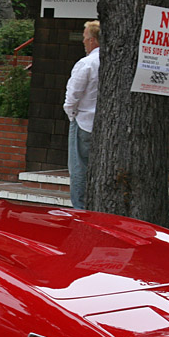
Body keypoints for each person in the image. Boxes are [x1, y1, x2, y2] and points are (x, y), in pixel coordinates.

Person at [63, 19, 100, 210]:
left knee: (79, 169)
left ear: (93, 40)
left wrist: (71, 114)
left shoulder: (86, 63)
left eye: (85, 38)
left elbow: (73, 94)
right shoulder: (112, 62)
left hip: (84, 120)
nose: (83, 42)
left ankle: (80, 209)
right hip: (102, 124)